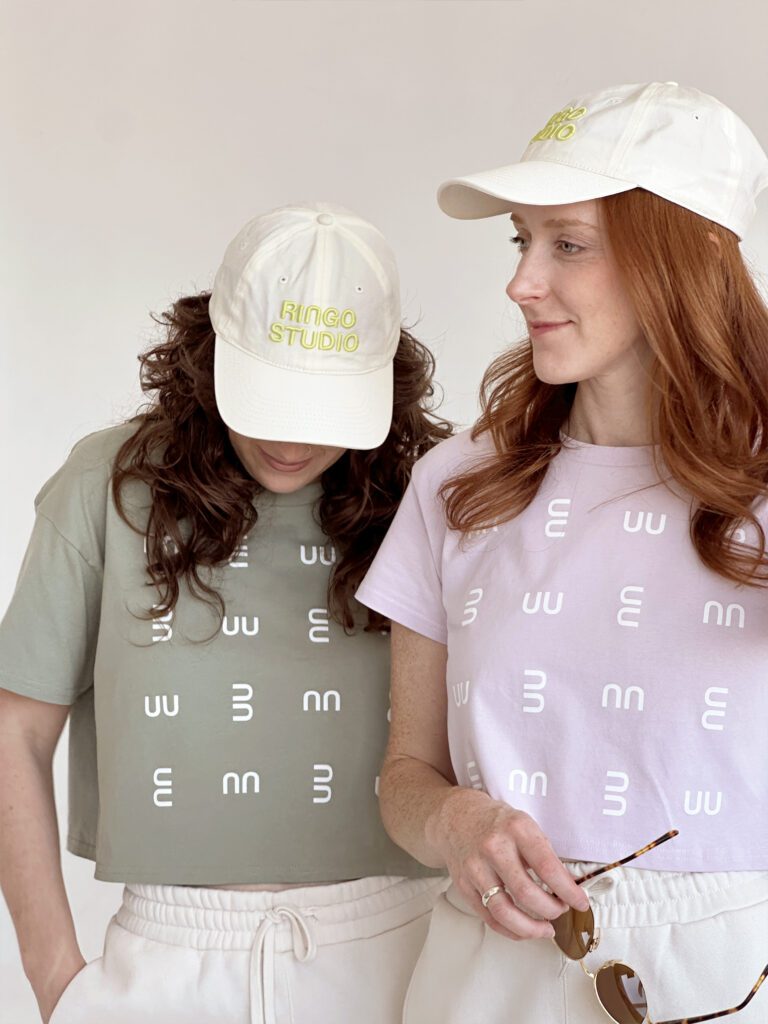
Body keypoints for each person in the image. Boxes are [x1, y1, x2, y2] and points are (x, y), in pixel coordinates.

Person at [356, 83, 768, 1024]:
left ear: (691, 260)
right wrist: (456, 820)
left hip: (727, 973)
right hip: (484, 975)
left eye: (567, 244)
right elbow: (405, 777)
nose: (520, 282)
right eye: (521, 240)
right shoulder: (459, 483)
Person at [0, 201, 450, 1024]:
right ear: (209, 361)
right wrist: (57, 981)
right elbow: (15, 730)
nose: (290, 441)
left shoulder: (435, 493)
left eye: (321, 407)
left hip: (403, 951)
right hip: (168, 958)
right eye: (266, 396)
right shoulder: (108, 483)